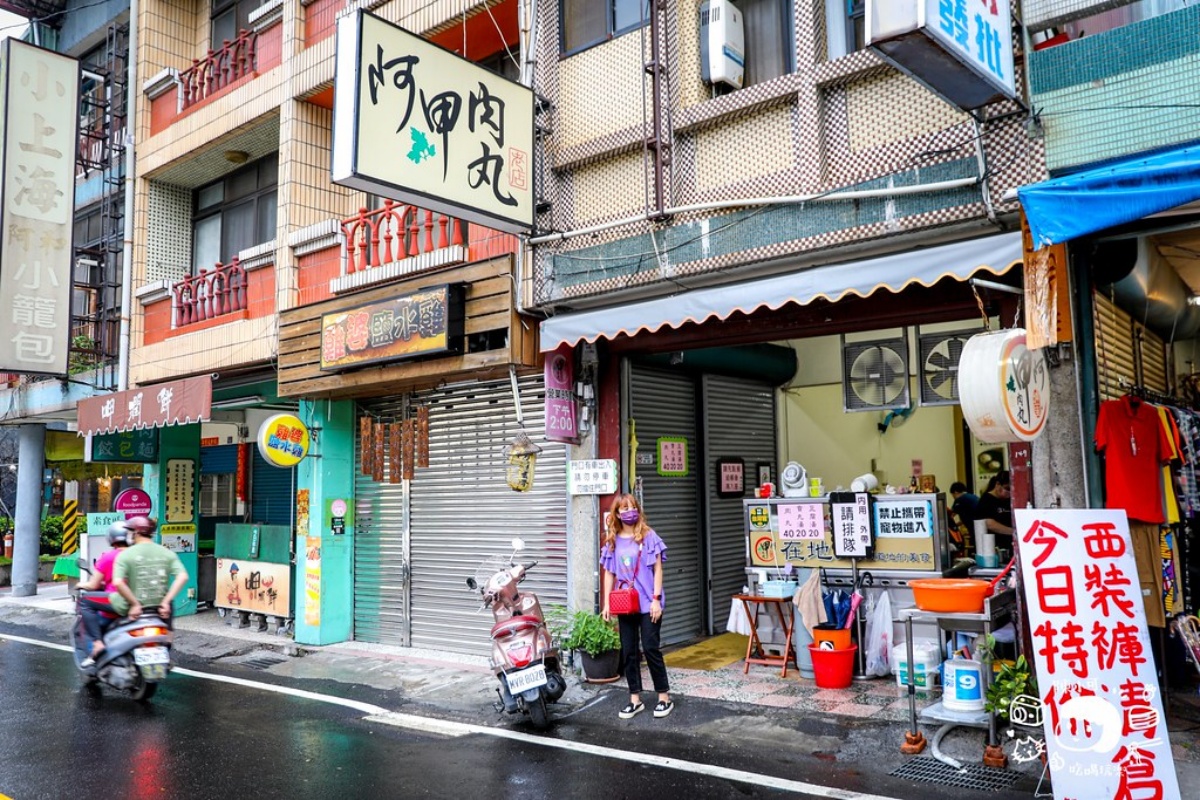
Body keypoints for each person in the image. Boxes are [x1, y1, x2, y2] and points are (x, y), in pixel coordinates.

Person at [600, 493, 672, 720]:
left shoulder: (648, 536)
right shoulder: (613, 539)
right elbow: (609, 572)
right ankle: (635, 699)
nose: (629, 512)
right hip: (625, 603)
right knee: (629, 652)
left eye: (632, 507)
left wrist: (656, 599)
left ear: (637, 509)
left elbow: (658, 569)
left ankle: (663, 697)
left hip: (648, 603)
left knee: (651, 648)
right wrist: (606, 603)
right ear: (617, 514)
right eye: (624, 509)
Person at [110, 516, 189, 626]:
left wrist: (135, 604)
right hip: (160, 609)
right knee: (167, 635)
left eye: (129, 531)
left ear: (136, 533)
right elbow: (183, 577)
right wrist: (165, 602)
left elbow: (118, 582)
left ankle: (99, 641)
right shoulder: (167, 553)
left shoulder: (125, 555)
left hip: (135, 609)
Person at [78, 521, 132, 667]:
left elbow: (93, 585)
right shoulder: (137, 555)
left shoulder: (108, 557)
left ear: (111, 538)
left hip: (116, 604)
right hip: (137, 604)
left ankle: (96, 646)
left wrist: (80, 584)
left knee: (85, 602)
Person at [974, 471, 1014, 545]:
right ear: (998, 484)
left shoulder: (1010, 500)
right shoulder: (986, 500)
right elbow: (989, 523)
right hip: (994, 544)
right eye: (1007, 489)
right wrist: (1013, 532)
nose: (1009, 493)